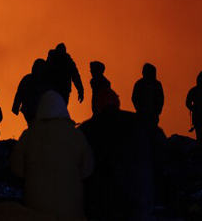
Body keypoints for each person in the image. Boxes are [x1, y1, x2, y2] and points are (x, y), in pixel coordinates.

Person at [80, 88, 163, 221]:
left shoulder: (87, 130)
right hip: (137, 203)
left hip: (101, 206)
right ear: (118, 102)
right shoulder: (138, 123)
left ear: (97, 106)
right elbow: (160, 149)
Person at [10, 91, 94, 221]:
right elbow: (87, 169)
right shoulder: (76, 135)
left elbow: (17, 169)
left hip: (37, 210)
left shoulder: (29, 135)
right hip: (71, 208)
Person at [13, 59, 50, 125]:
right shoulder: (28, 79)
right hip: (29, 109)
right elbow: (20, 93)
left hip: (39, 109)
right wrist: (16, 107)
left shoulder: (45, 80)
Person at [131, 63, 165, 129]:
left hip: (152, 114)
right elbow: (134, 98)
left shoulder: (156, 84)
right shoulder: (140, 84)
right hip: (143, 114)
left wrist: (157, 110)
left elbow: (160, 98)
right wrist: (139, 109)